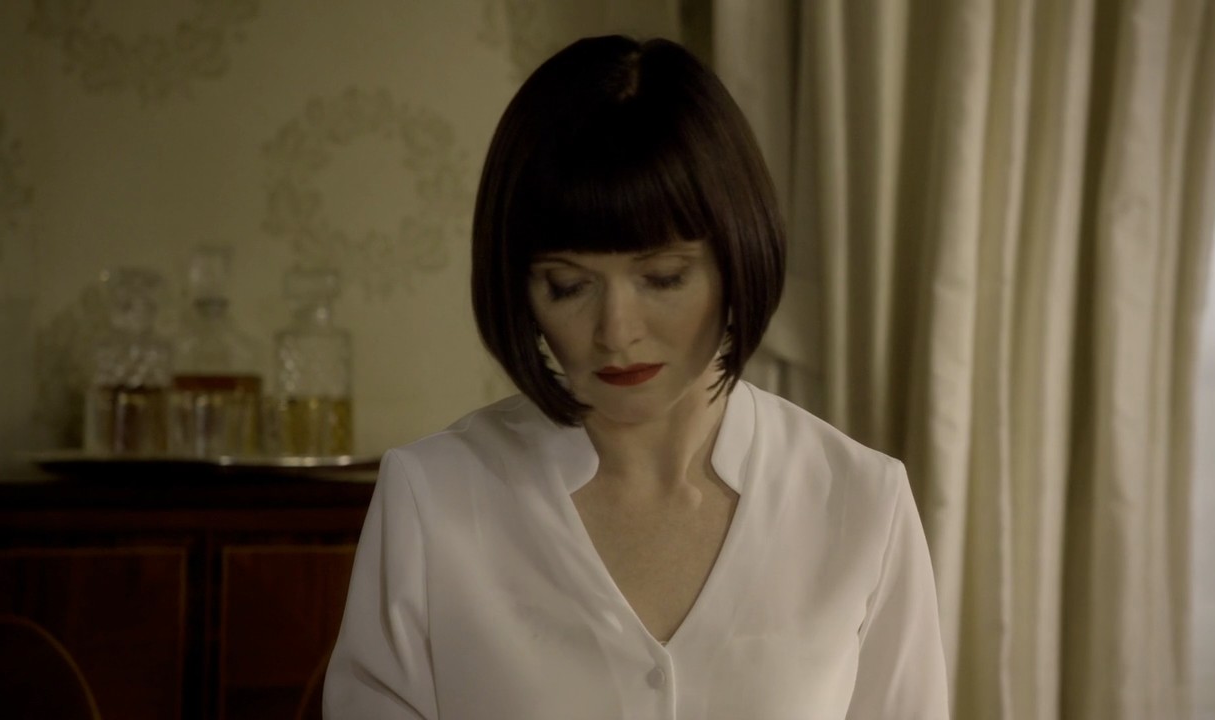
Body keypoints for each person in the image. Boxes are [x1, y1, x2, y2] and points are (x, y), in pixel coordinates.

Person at [324, 34, 949, 719]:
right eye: (568, 286)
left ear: (737, 257)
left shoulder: (861, 502)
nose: (616, 332)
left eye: (663, 277)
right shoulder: (432, 498)